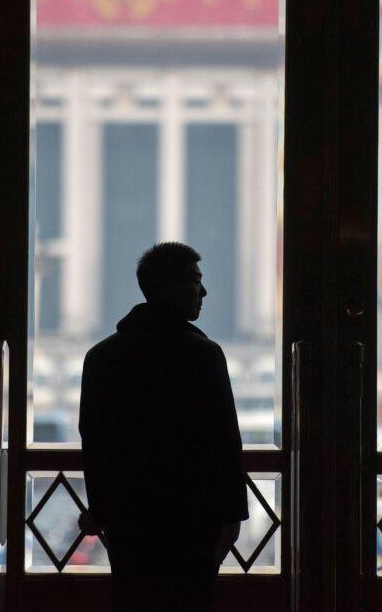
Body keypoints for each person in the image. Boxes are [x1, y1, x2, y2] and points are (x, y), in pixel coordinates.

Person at [78, 242, 249, 611]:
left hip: (130, 521)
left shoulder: (102, 358)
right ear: (171, 287)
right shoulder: (203, 355)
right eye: (195, 281)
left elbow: (94, 442)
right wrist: (233, 516)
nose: (203, 292)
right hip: (194, 521)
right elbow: (224, 442)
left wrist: (101, 510)